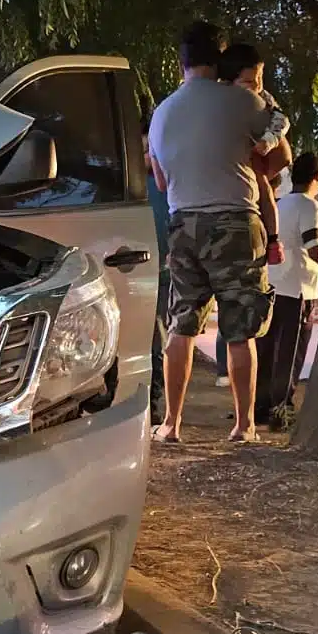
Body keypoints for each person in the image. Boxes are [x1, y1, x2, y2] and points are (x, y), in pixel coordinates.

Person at [148, 20, 286, 444]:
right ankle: (244, 426)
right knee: (240, 329)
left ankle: (171, 424)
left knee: (182, 325)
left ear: (182, 63)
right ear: (220, 59)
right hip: (235, 222)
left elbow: (160, 183)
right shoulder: (241, 100)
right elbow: (280, 158)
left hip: (183, 222)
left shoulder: (161, 113)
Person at [255, 151, 318, 428]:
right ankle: (281, 410)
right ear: (317, 177)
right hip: (298, 290)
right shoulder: (309, 207)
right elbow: (317, 250)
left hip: (273, 286)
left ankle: (260, 407)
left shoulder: (280, 204)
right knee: (290, 353)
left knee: (267, 350)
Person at [217, 42, 291, 266]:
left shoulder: (263, 100)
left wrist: (268, 141)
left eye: (260, 78)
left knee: (264, 188)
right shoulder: (223, 100)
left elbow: (281, 120)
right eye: (249, 81)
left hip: (257, 154)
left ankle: (274, 239)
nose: (257, 85)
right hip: (240, 162)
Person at [142, 117, 172, 423]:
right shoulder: (132, 186)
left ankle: (154, 404)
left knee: (156, 342)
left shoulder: (165, 184)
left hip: (160, 275)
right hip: (132, 271)